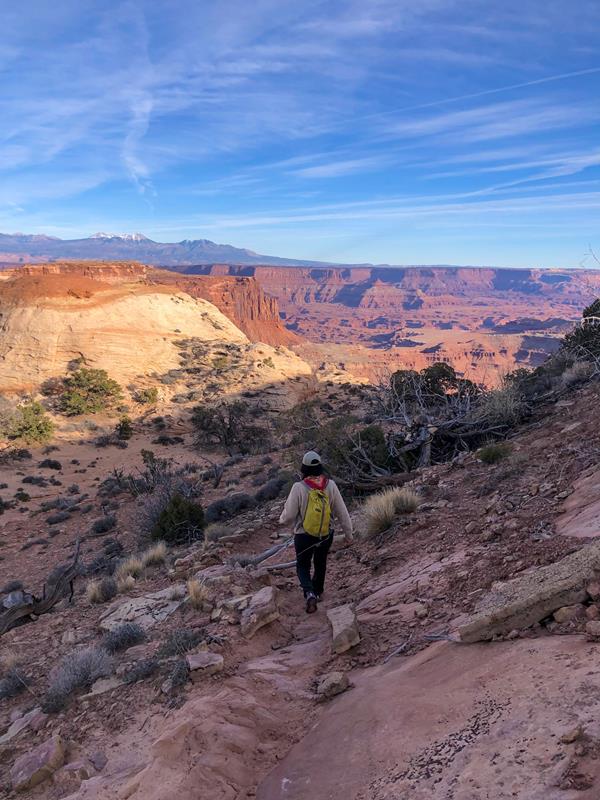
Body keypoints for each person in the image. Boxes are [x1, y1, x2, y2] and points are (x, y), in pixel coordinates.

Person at [279, 451, 353, 613]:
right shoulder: (330, 485)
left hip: (303, 535)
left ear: (303, 468)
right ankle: (318, 590)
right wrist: (349, 534)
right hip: (325, 535)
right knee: (320, 562)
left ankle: (309, 592)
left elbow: (289, 515)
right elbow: (342, 512)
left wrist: (282, 520)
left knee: (303, 565)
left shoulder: (299, 487)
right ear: (320, 467)